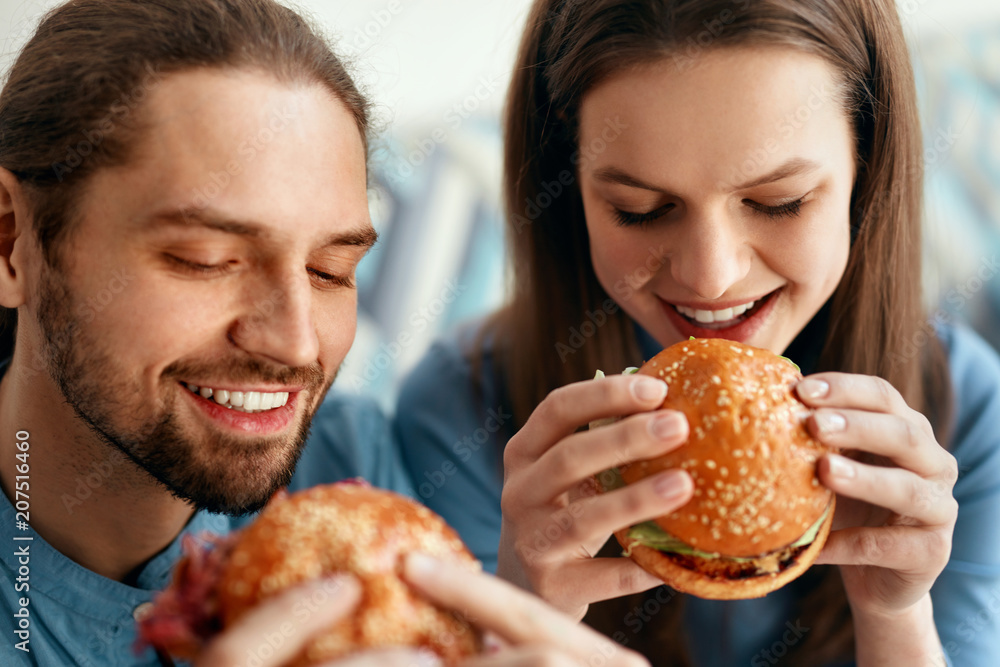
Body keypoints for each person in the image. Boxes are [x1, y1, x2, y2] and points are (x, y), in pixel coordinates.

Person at [0, 2, 649, 666]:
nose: (296, 343)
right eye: (206, 258)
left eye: (330, 269)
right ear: (11, 241)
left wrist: (511, 618)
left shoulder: (353, 471)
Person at [396, 0, 1000, 665]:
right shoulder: (463, 407)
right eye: (640, 210)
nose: (712, 277)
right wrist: (519, 618)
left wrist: (898, 615)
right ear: (569, 188)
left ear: (867, 165)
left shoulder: (965, 407)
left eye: (779, 201)